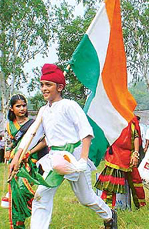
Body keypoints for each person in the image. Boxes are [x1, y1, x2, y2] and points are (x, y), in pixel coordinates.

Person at [10, 64, 116, 229]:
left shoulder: (69, 105)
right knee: (41, 196)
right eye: (42, 84)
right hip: (54, 159)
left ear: (59, 87)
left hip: (74, 157)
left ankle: (109, 216)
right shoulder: (44, 110)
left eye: (48, 85)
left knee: (86, 198)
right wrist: (17, 156)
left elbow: (86, 132)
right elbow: (33, 134)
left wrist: (82, 160)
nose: (44, 89)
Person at [4, 94, 47, 229]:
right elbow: (10, 142)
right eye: (18, 106)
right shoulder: (9, 126)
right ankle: (19, 223)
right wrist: (8, 150)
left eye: (23, 105)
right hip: (15, 161)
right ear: (12, 109)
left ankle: (33, 205)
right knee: (16, 193)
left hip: (31, 161)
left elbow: (44, 142)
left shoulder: (34, 123)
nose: (22, 108)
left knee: (23, 190)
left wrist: (28, 153)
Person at [95, 115, 146, 210]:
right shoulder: (111, 117)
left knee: (136, 182)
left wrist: (135, 153)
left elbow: (136, 136)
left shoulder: (131, 119)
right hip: (114, 155)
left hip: (129, 155)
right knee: (110, 182)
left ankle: (141, 206)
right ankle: (107, 208)